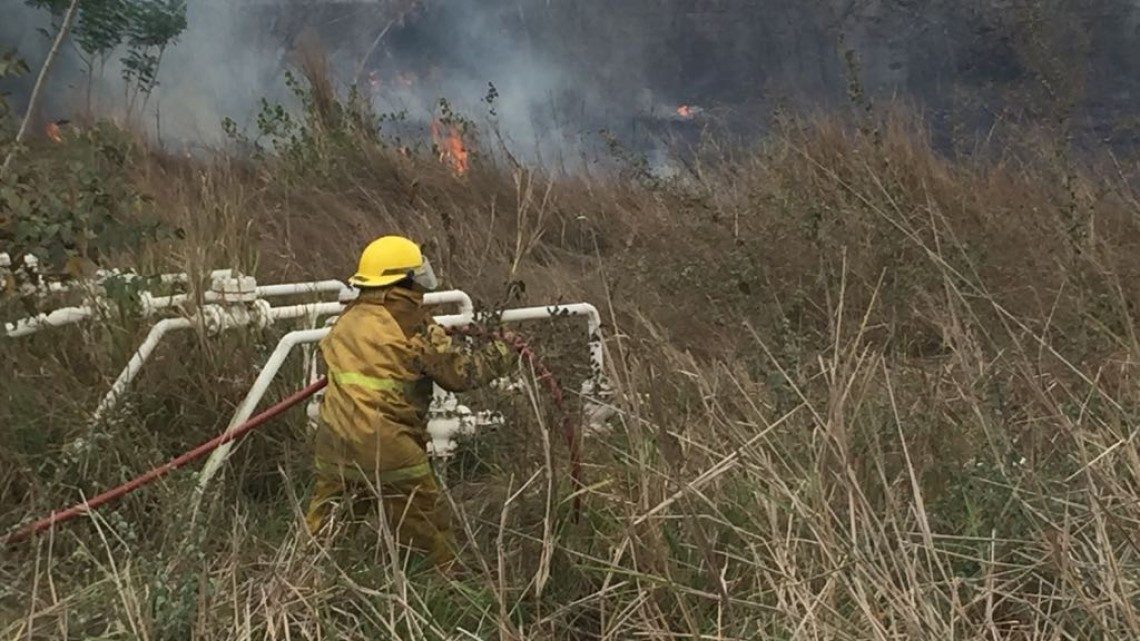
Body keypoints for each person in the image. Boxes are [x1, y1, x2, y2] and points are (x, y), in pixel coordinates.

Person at [304, 235, 515, 573]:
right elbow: (460, 375)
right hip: (388, 447)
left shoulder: (347, 319)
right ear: (405, 280)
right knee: (426, 529)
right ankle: (441, 587)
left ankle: (306, 586)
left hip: (334, 444)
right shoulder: (412, 324)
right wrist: (504, 351)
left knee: (326, 534)